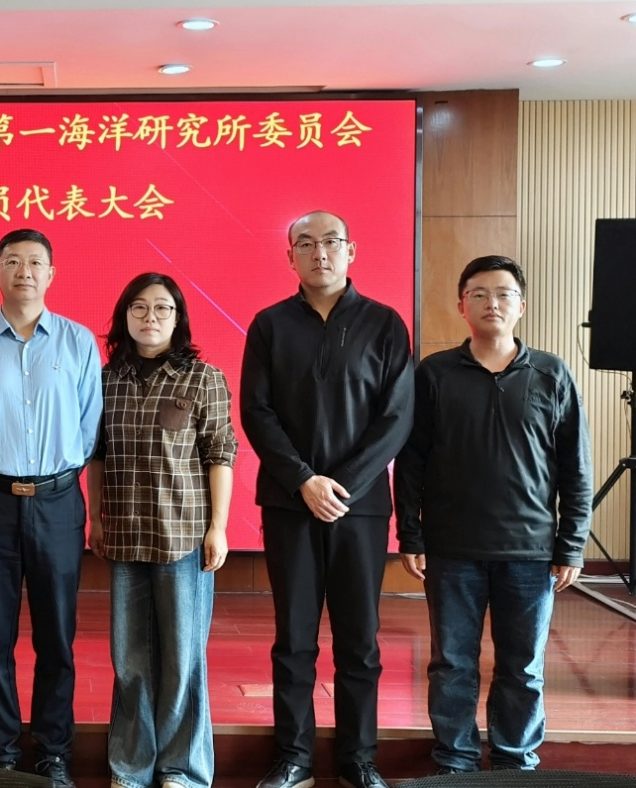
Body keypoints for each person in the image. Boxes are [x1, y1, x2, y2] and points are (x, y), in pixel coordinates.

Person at [395, 255, 592, 774]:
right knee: (451, 664)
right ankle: (454, 763)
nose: (492, 304)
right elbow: (411, 461)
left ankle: (514, 763)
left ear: (521, 306)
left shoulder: (551, 373)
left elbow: (576, 467)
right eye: (479, 294)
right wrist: (411, 535)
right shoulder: (434, 373)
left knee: (522, 668)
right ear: (461, 306)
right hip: (452, 549)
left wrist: (572, 544)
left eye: (504, 294)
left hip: (531, 552)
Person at [240, 211, 413, 788]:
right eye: (307, 244)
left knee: (359, 640)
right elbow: (257, 412)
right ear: (289, 256)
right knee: (293, 639)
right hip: (290, 503)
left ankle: (357, 757)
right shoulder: (269, 324)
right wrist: (303, 481)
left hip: (359, 509)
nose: (320, 253)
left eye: (331, 242)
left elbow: (396, 417)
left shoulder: (384, 324)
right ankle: (293, 757)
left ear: (351, 250)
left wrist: (342, 485)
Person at [0, 228, 102, 788]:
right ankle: (0, 752)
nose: (25, 271)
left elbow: (88, 427)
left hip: (59, 501)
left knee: (56, 636)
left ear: (51, 273)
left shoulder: (78, 342)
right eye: (12, 261)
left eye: (35, 262)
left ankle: (54, 751)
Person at [88, 272, 236, 788]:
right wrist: (95, 517)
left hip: (183, 537)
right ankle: (131, 768)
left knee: (182, 658)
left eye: (162, 308)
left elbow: (220, 455)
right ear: (124, 316)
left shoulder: (203, 378)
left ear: (178, 318)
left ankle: (183, 770)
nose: (150, 317)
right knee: (129, 660)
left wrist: (219, 527)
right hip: (125, 535)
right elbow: (98, 455)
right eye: (139, 307)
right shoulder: (106, 380)